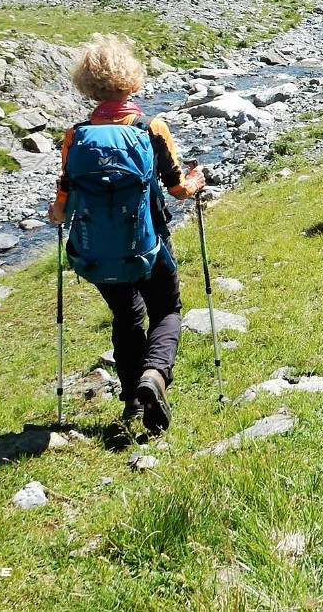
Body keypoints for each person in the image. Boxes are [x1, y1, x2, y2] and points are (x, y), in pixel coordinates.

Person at [47, 34, 205, 433]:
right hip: (150, 244)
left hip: (98, 250)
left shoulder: (76, 135)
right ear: (131, 80)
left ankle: (134, 398)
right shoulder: (151, 127)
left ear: (89, 86)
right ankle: (155, 376)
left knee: (126, 315)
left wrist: (57, 214)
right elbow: (177, 189)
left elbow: (62, 202)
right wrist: (196, 181)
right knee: (166, 310)